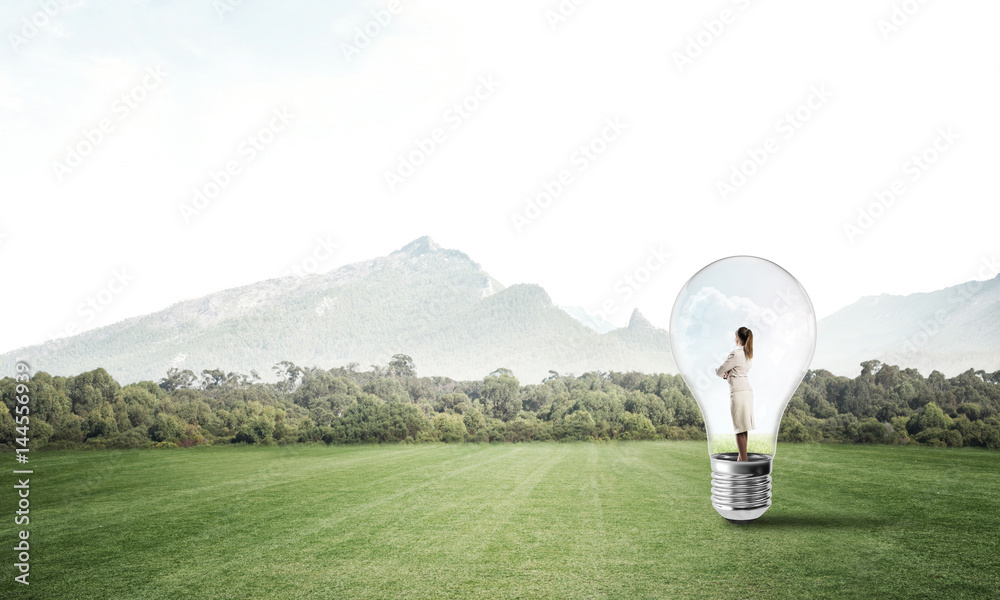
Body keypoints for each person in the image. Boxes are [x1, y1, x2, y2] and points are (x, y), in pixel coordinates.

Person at [716, 326, 754, 461]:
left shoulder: (735, 354)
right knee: (744, 428)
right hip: (747, 392)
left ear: (738, 337)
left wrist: (724, 374)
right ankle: (740, 459)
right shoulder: (748, 354)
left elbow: (720, 370)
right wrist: (729, 373)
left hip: (737, 392)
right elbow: (738, 370)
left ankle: (744, 462)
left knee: (738, 429)